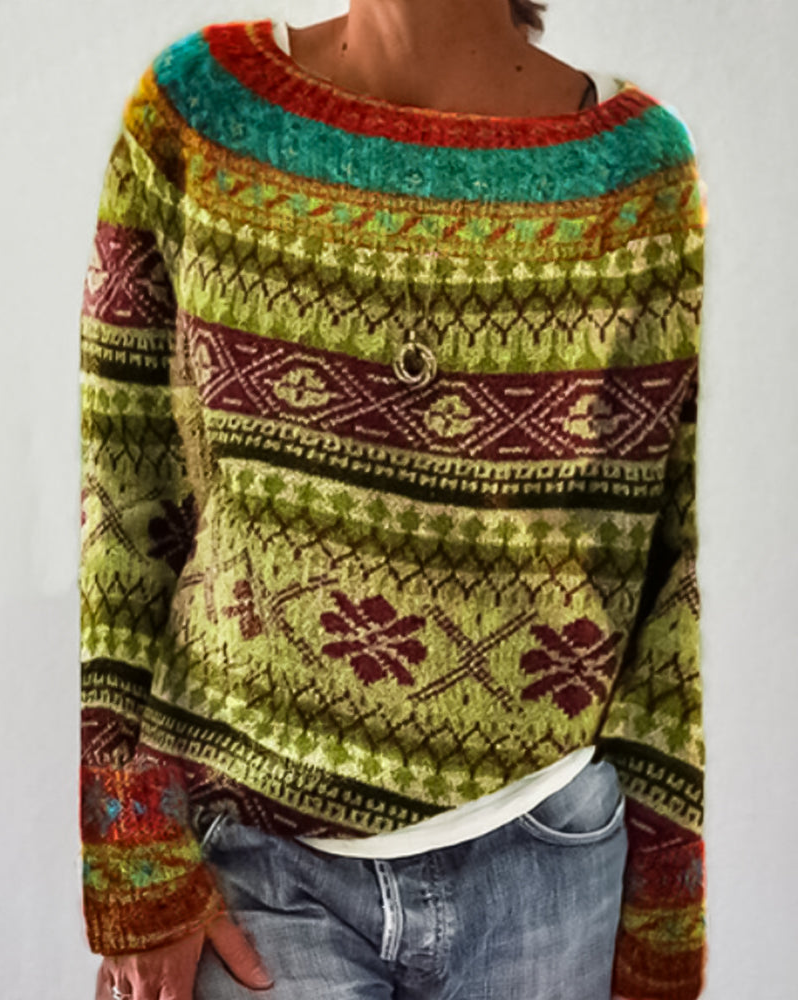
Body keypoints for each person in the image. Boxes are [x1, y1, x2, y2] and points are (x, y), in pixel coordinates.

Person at [78, 1, 708, 998]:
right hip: (257, 866)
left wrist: (664, 910)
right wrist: (133, 850)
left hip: (547, 866)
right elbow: (125, 493)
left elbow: (670, 568)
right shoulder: (201, 114)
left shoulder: (634, 179)